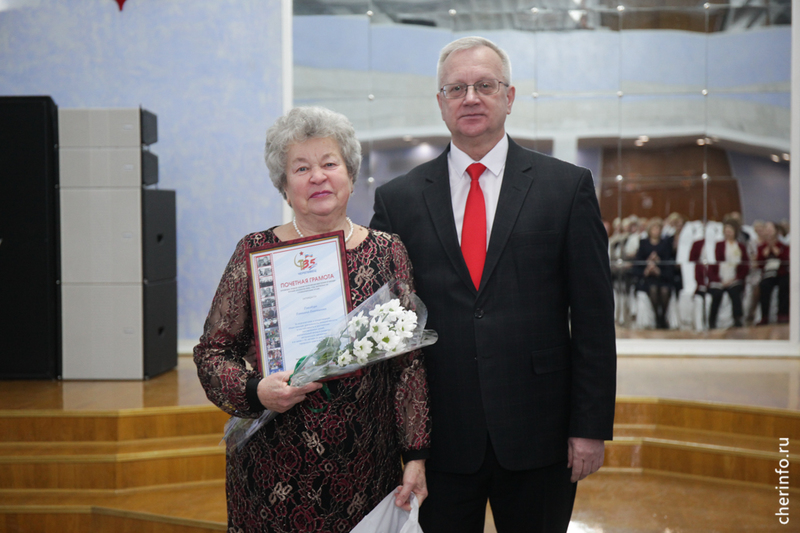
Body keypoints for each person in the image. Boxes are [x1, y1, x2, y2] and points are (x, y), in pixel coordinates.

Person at [370, 36, 617, 533]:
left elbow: (592, 318)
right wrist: (398, 440)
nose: (471, 98)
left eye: (485, 85)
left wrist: (589, 428)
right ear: (440, 102)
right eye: (456, 88)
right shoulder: (398, 199)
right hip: (439, 438)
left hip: (540, 434)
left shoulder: (566, 188)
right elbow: (386, 323)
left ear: (510, 96)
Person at [194, 106, 430, 532]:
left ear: (351, 174)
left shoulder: (387, 251)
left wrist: (415, 456)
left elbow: (407, 366)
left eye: (329, 163)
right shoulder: (255, 252)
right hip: (272, 470)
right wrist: (254, 390)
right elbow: (213, 354)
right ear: (284, 187)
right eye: (300, 168)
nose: (317, 177)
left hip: (366, 471)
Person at [707, 218, 749, 328]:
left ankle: (737, 319)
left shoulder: (740, 247)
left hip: (734, 278)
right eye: (726, 230)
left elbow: (745, 266)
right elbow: (712, 265)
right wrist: (718, 280)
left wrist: (735, 278)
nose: (728, 233)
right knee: (716, 294)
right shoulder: (718, 245)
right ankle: (712, 321)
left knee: (735, 293)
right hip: (719, 278)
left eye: (730, 230)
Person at [633, 217, 674, 329]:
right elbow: (638, 263)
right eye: (654, 228)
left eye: (658, 228)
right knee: (653, 290)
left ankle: (662, 317)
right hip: (648, 277)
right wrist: (648, 267)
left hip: (662, 276)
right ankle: (657, 318)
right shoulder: (643, 243)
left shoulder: (665, 244)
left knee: (665, 291)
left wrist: (658, 266)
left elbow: (668, 262)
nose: (656, 231)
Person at [756, 221, 790, 325]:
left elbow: (786, 260)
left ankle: (783, 315)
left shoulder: (783, 246)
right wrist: (765, 252)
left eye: (771, 229)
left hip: (781, 273)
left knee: (785, 284)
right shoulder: (761, 247)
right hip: (768, 274)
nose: (769, 231)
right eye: (767, 229)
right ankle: (764, 316)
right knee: (764, 286)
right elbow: (759, 264)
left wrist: (776, 251)